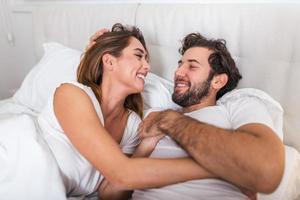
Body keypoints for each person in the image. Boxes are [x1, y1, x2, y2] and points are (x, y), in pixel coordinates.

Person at [37, 23, 218, 200]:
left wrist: (147, 143)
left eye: (146, 60)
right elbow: (122, 173)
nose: (147, 67)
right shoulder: (71, 94)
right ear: (109, 61)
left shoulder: (132, 124)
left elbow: (109, 193)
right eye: (139, 56)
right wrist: (217, 166)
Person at [133, 32, 285, 199]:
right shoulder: (154, 116)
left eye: (192, 66)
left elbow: (267, 167)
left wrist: (173, 122)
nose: (178, 72)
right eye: (180, 64)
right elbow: (117, 181)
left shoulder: (239, 107)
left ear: (218, 81)